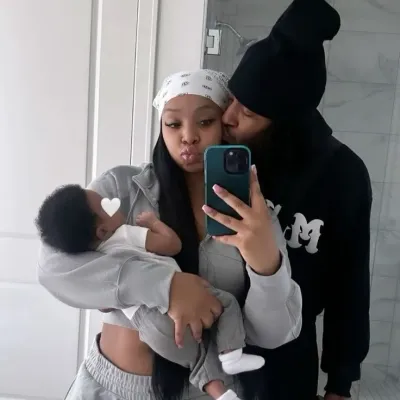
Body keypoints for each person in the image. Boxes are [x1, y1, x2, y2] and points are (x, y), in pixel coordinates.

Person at [37, 69, 302, 400]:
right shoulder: (121, 188)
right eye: (173, 123)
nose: (188, 137)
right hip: (112, 388)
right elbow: (53, 267)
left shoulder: (254, 214)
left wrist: (266, 265)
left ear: (224, 125)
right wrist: (166, 286)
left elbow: (274, 334)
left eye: (205, 122)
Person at [215, 0, 372, 399]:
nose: (228, 117)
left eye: (247, 112)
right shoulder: (223, 156)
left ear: (285, 123)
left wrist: (340, 383)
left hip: (286, 360)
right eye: (231, 99)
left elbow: (349, 287)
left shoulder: (343, 174)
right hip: (209, 349)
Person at [35, 183, 265, 399]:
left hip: (149, 327)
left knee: (198, 359)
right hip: (127, 363)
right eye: (105, 204)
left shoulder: (95, 258)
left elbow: (101, 299)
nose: (113, 201)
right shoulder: (126, 233)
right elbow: (172, 245)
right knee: (224, 308)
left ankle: (221, 392)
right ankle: (231, 355)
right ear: (102, 230)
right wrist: (154, 224)